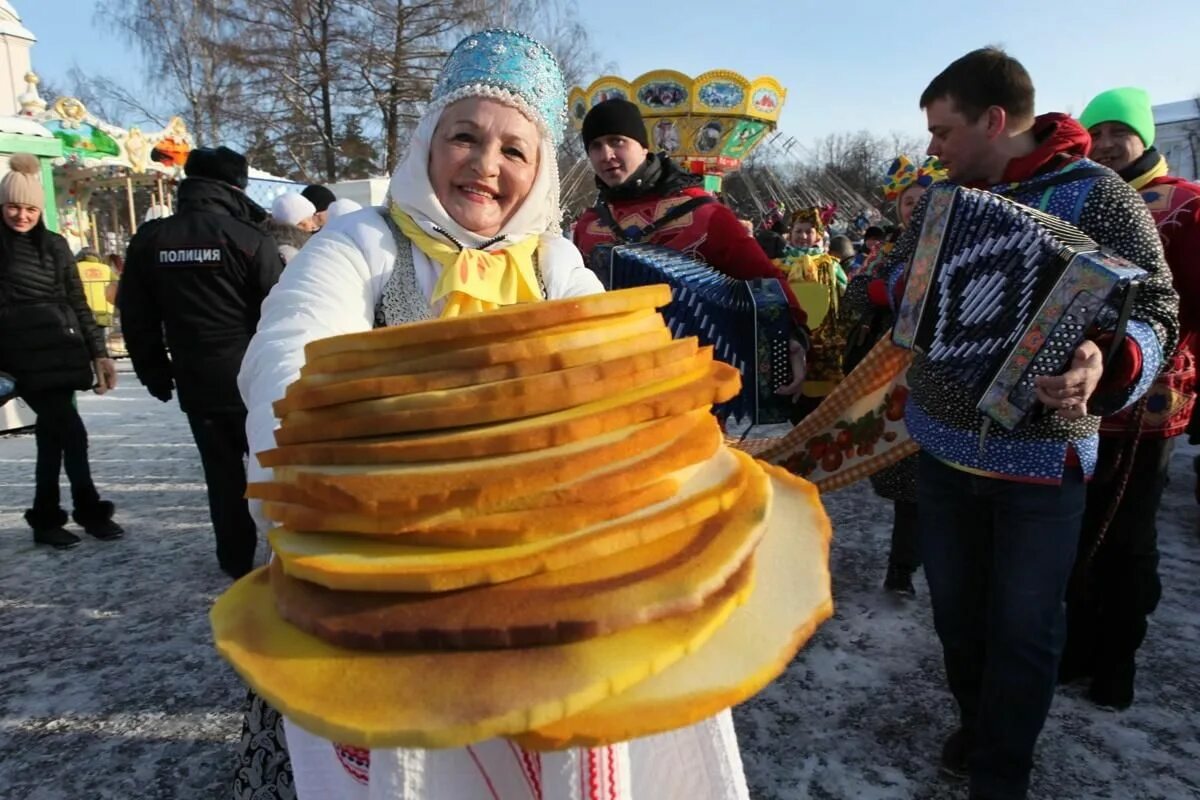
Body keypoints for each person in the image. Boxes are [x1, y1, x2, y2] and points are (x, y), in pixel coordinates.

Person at [237, 28, 755, 800]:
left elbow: (627, 366)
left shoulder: (555, 263)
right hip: (380, 563)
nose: (486, 165)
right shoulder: (360, 246)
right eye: (465, 138)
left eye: (515, 151)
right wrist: (358, 509)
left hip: (537, 573)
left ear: (540, 170)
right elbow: (286, 366)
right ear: (427, 144)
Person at [882, 49, 1178, 800]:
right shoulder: (942, 198)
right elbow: (898, 294)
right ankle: (980, 719)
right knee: (957, 616)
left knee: (1025, 625)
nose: (933, 149)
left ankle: (1002, 768)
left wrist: (1102, 366)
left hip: (1042, 461)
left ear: (993, 120)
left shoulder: (1100, 196)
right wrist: (901, 274)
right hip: (945, 448)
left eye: (943, 132)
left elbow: (1156, 311)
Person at [1058, 87, 1200, 709]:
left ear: (1144, 137)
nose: (1110, 143)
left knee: (1130, 534)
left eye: (1122, 131)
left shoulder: (1185, 205)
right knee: (1077, 528)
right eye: (1099, 131)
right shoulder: (1082, 197)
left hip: (1150, 402)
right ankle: (1080, 646)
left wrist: (1140, 343)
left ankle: (1119, 659)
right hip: (1073, 398)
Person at [118, 146, 284, 579]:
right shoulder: (249, 238)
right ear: (237, 186)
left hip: (197, 381)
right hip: (256, 379)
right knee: (277, 468)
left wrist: (153, 371)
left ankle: (234, 562)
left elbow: (136, 316)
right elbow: (283, 309)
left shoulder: (152, 239)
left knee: (222, 476)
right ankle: (290, 555)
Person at [572, 97, 808, 397]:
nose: (606, 155)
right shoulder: (588, 226)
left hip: (701, 382)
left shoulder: (704, 213)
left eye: (617, 141)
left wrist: (792, 336)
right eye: (595, 146)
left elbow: (766, 280)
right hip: (609, 382)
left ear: (643, 146)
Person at [0, 153, 123, 549]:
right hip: (21, 360)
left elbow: (78, 301)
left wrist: (99, 352)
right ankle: (88, 512)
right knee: (71, 432)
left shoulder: (54, 246)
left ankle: (48, 519)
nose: (22, 215)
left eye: (30, 208)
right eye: (14, 207)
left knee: (53, 439)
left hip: (62, 354)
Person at [843, 155, 948, 596]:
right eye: (909, 202)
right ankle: (902, 568)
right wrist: (876, 292)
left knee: (942, 473)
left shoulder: (959, 246)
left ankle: (929, 561)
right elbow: (852, 301)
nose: (916, 208)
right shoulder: (884, 252)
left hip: (943, 372)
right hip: (892, 373)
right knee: (907, 475)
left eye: (925, 200)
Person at [269, 192, 318, 264]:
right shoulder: (289, 252)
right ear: (298, 222)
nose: (313, 225)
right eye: (309, 219)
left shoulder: (274, 240)